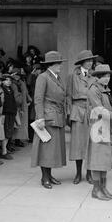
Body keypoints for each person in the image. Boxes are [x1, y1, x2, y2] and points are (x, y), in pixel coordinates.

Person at [86, 64, 112, 201]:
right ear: (97, 77)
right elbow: (100, 110)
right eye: (104, 76)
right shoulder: (93, 90)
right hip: (98, 128)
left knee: (104, 160)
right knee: (98, 160)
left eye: (108, 76)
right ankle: (96, 190)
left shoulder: (105, 89)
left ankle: (103, 188)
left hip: (107, 127)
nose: (107, 78)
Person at [31, 51, 67, 189]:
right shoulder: (43, 77)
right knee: (46, 148)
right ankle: (44, 177)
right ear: (51, 65)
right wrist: (40, 117)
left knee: (52, 149)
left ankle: (49, 175)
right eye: (58, 63)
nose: (60, 66)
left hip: (56, 115)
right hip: (47, 116)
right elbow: (38, 99)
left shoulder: (57, 77)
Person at [67, 50, 98, 185]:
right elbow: (68, 95)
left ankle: (89, 173)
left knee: (91, 143)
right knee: (78, 144)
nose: (90, 63)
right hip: (78, 110)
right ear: (81, 63)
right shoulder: (73, 76)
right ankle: (78, 173)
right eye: (87, 61)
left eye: (91, 60)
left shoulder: (94, 76)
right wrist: (68, 114)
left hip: (91, 111)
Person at [0, 74, 22, 160]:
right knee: (5, 132)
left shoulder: (11, 90)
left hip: (11, 113)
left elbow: (13, 102)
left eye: (9, 80)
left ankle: (4, 149)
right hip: (4, 113)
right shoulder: (2, 90)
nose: (8, 81)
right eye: (6, 80)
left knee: (9, 132)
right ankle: (3, 151)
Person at [12, 68, 32, 146]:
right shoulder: (13, 84)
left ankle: (18, 140)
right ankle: (15, 141)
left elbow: (26, 92)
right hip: (17, 106)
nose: (17, 76)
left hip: (24, 105)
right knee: (17, 124)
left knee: (22, 124)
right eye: (15, 75)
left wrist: (29, 99)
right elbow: (16, 96)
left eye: (18, 75)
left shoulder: (22, 82)